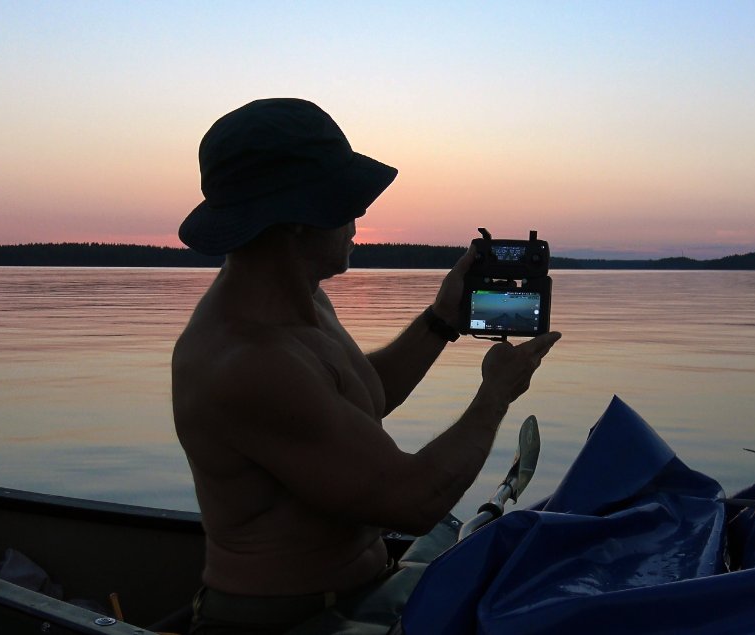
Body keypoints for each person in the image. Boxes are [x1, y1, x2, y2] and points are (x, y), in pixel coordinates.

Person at [171, 98, 561, 633]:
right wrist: (495, 395)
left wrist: (441, 321)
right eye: (344, 203)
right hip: (288, 621)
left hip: (364, 595)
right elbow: (414, 500)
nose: (357, 222)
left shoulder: (301, 301)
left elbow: (360, 392)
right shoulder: (247, 361)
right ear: (294, 220)